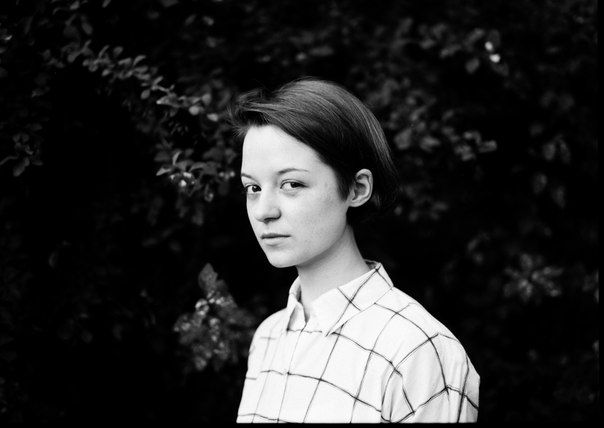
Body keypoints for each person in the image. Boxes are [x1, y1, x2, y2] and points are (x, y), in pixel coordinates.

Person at [228, 77, 480, 423]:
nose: (263, 211)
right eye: (253, 188)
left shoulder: (416, 349)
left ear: (357, 189)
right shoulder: (268, 338)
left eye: (292, 184)